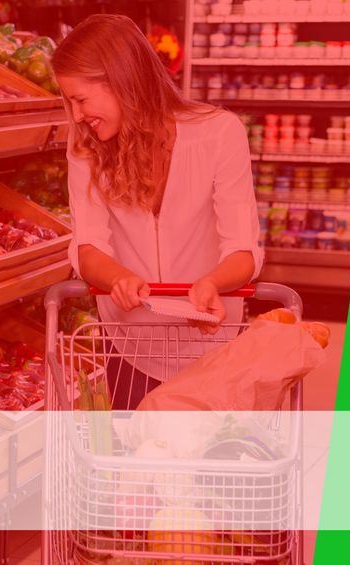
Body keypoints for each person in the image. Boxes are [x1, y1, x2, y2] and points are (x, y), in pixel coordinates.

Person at [52, 14, 263, 409]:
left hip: (212, 345)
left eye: (80, 99)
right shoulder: (85, 145)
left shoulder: (219, 133)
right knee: (135, 462)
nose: (77, 115)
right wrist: (119, 278)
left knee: (207, 466)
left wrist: (211, 283)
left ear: (121, 80)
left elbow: (243, 249)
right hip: (131, 345)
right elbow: (87, 244)